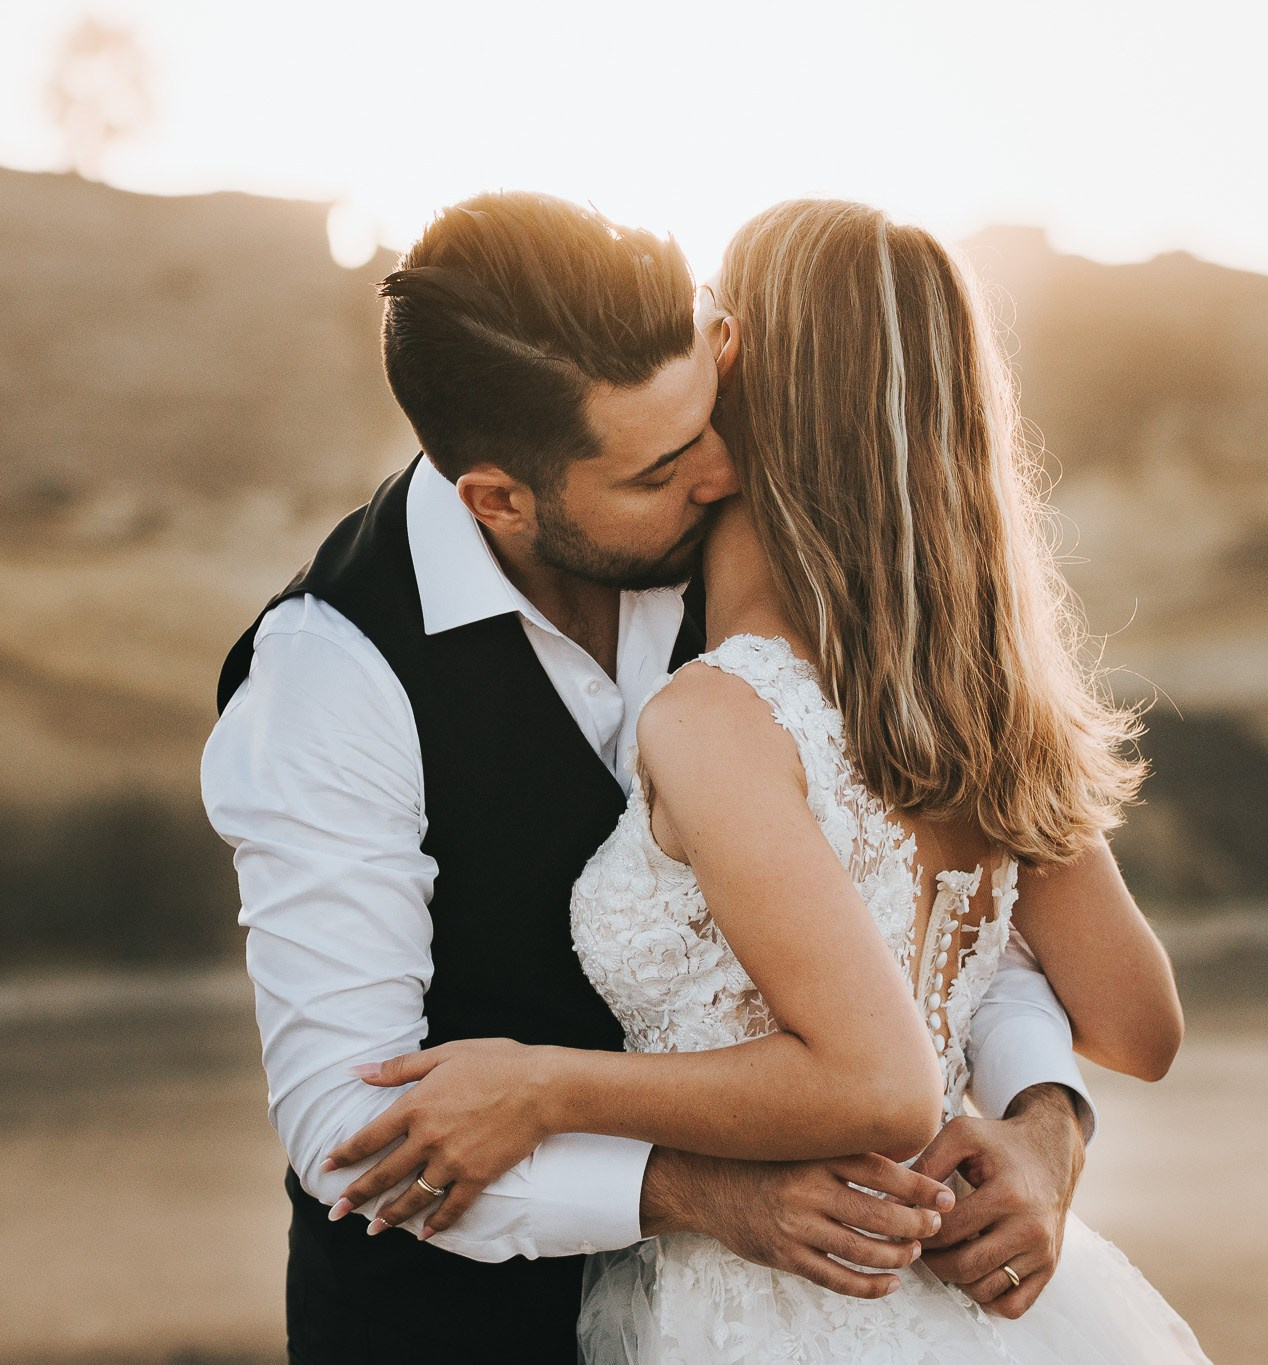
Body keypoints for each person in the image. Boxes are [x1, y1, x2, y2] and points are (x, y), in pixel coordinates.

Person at [202, 193, 1104, 1365]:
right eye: (664, 464)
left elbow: (943, 905)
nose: (730, 472)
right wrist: (696, 1193)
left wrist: (1043, 1124)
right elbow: (347, 1127)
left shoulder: (756, 572)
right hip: (457, 1334)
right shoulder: (332, 677)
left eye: (711, 411)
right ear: (498, 497)